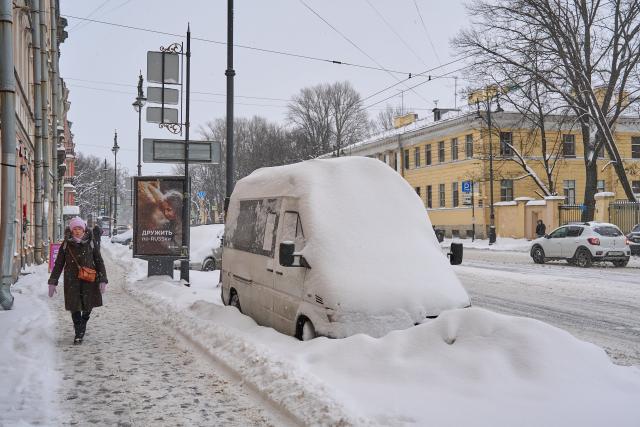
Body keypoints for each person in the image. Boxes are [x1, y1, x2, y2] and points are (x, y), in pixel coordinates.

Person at [48, 217, 108, 344]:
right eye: (74, 228)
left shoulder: (91, 242)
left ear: (84, 229)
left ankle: (84, 321)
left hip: (89, 278)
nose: (77, 231)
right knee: (74, 306)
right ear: (71, 230)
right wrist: (53, 281)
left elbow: (99, 261)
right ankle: (78, 332)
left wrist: (103, 279)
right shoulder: (66, 244)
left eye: (79, 228)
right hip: (72, 280)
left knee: (88, 304)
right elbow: (58, 264)